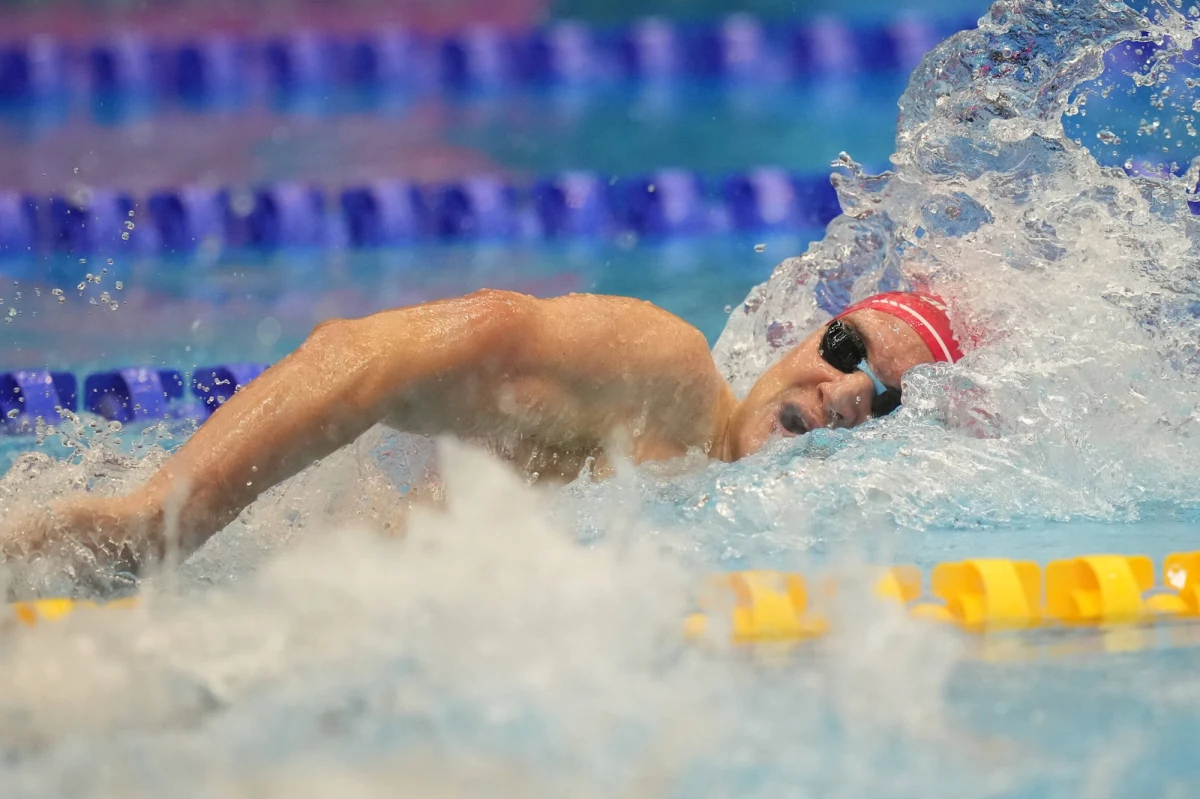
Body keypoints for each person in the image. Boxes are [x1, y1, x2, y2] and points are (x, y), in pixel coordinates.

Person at [0, 288, 962, 570]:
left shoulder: (831, 557)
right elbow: (370, 351)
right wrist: (161, 517)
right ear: (801, 329)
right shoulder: (661, 380)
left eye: (885, 401)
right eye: (846, 347)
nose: (844, 391)